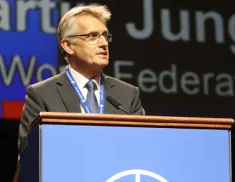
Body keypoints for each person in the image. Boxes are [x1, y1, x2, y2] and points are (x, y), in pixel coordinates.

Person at [17, 4, 146, 147]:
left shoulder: (127, 95)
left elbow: (141, 146)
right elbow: (27, 154)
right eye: (92, 36)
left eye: (105, 36)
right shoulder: (42, 94)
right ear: (68, 46)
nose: (103, 43)